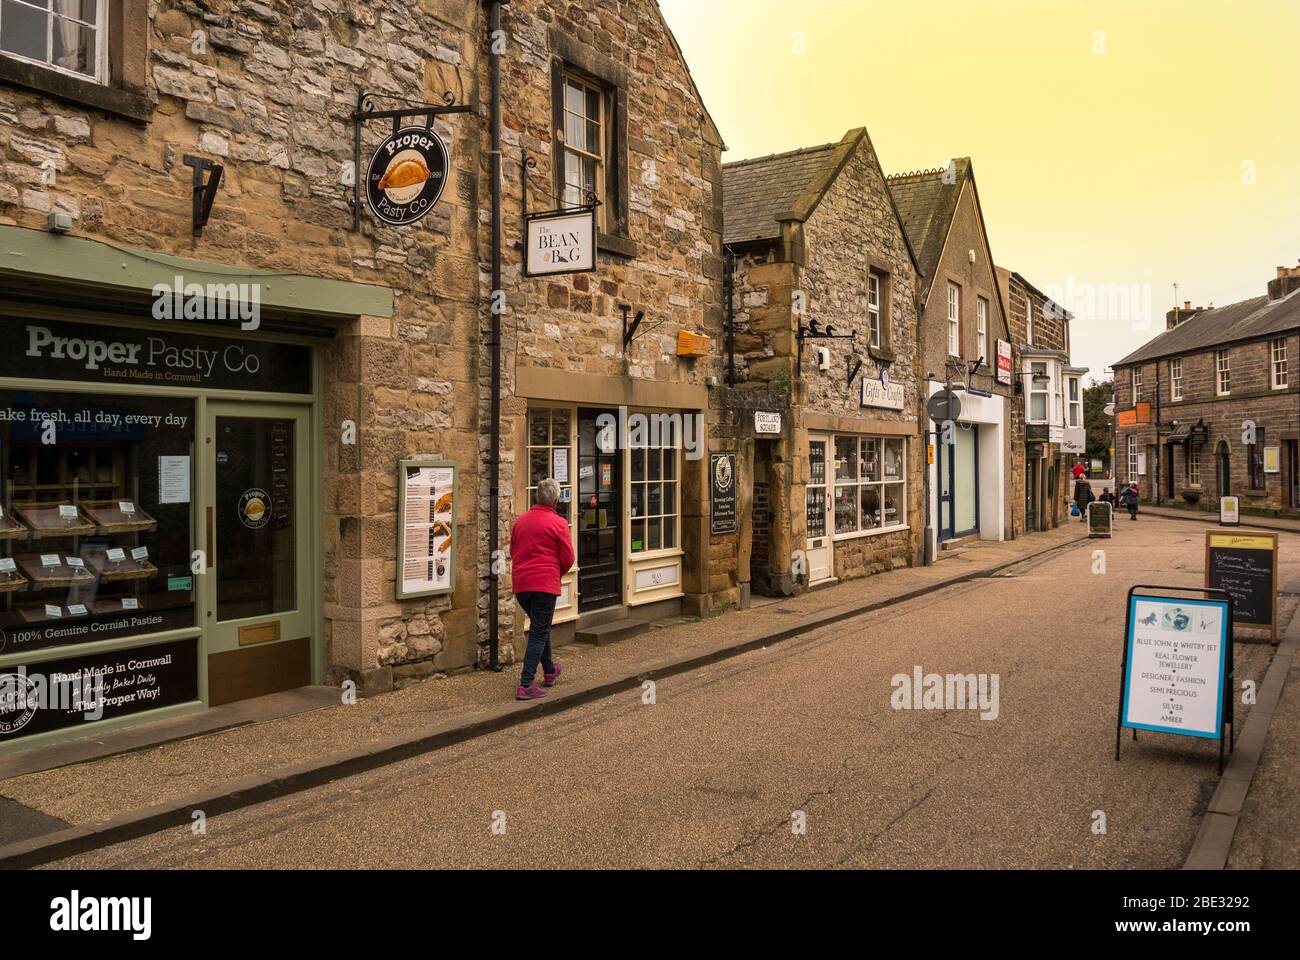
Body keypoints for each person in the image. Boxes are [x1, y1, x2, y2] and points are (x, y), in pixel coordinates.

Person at [509, 478, 575, 700]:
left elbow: (513, 550)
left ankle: (549, 670)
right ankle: (526, 683)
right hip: (544, 584)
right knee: (538, 631)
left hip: (522, 585)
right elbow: (568, 557)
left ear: (537, 497)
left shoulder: (521, 521)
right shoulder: (558, 523)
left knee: (540, 625)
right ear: (555, 500)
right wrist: (555, 574)